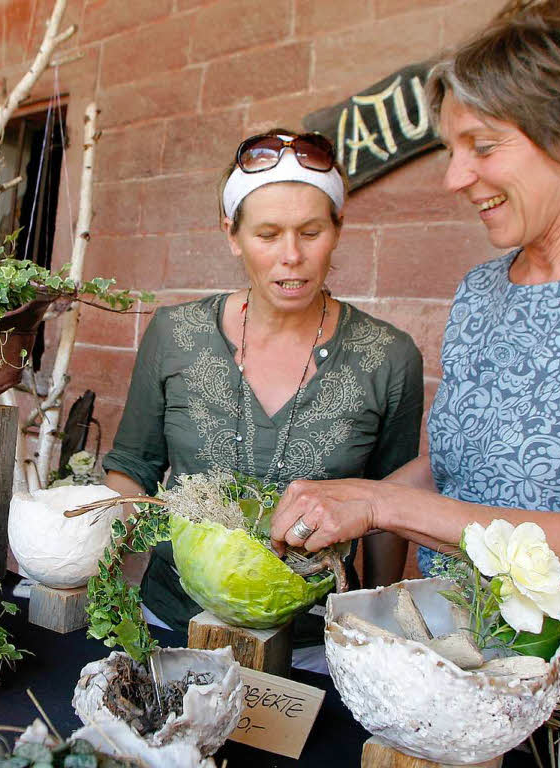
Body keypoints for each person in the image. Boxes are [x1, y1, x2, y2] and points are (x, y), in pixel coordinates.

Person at [268, 5, 560, 766]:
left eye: (483, 146)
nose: (455, 177)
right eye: (449, 148)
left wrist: (380, 503)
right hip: (443, 671)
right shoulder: (483, 288)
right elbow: (452, 465)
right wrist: (342, 500)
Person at [102, 129, 424, 670]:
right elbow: (132, 466)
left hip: (313, 645)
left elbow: (390, 507)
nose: (291, 257)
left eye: (311, 231)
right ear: (232, 234)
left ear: (338, 230)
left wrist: (379, 630)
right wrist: (100, 568)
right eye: (268, 234)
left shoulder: (388, 357)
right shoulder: (175, 333)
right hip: (171, 623)